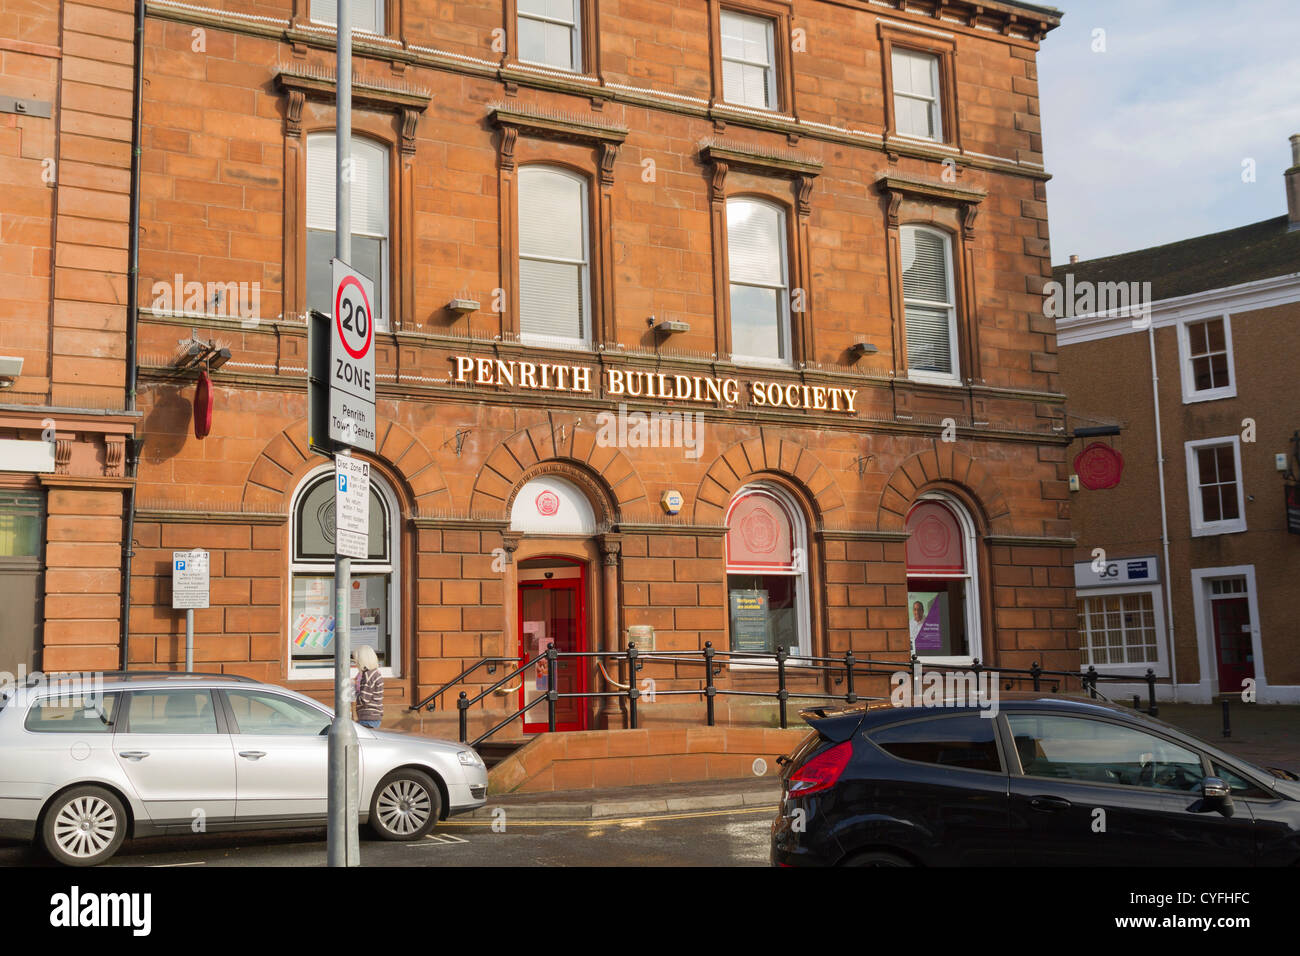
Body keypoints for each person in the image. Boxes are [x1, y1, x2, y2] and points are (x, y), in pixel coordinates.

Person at [353, 645, 384, 729]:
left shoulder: (367, 675)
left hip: (368, 716)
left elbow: (364, 699)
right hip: (374, 716)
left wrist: (353, 690)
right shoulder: (375, 673)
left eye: (356, 660)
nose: (355, 663)